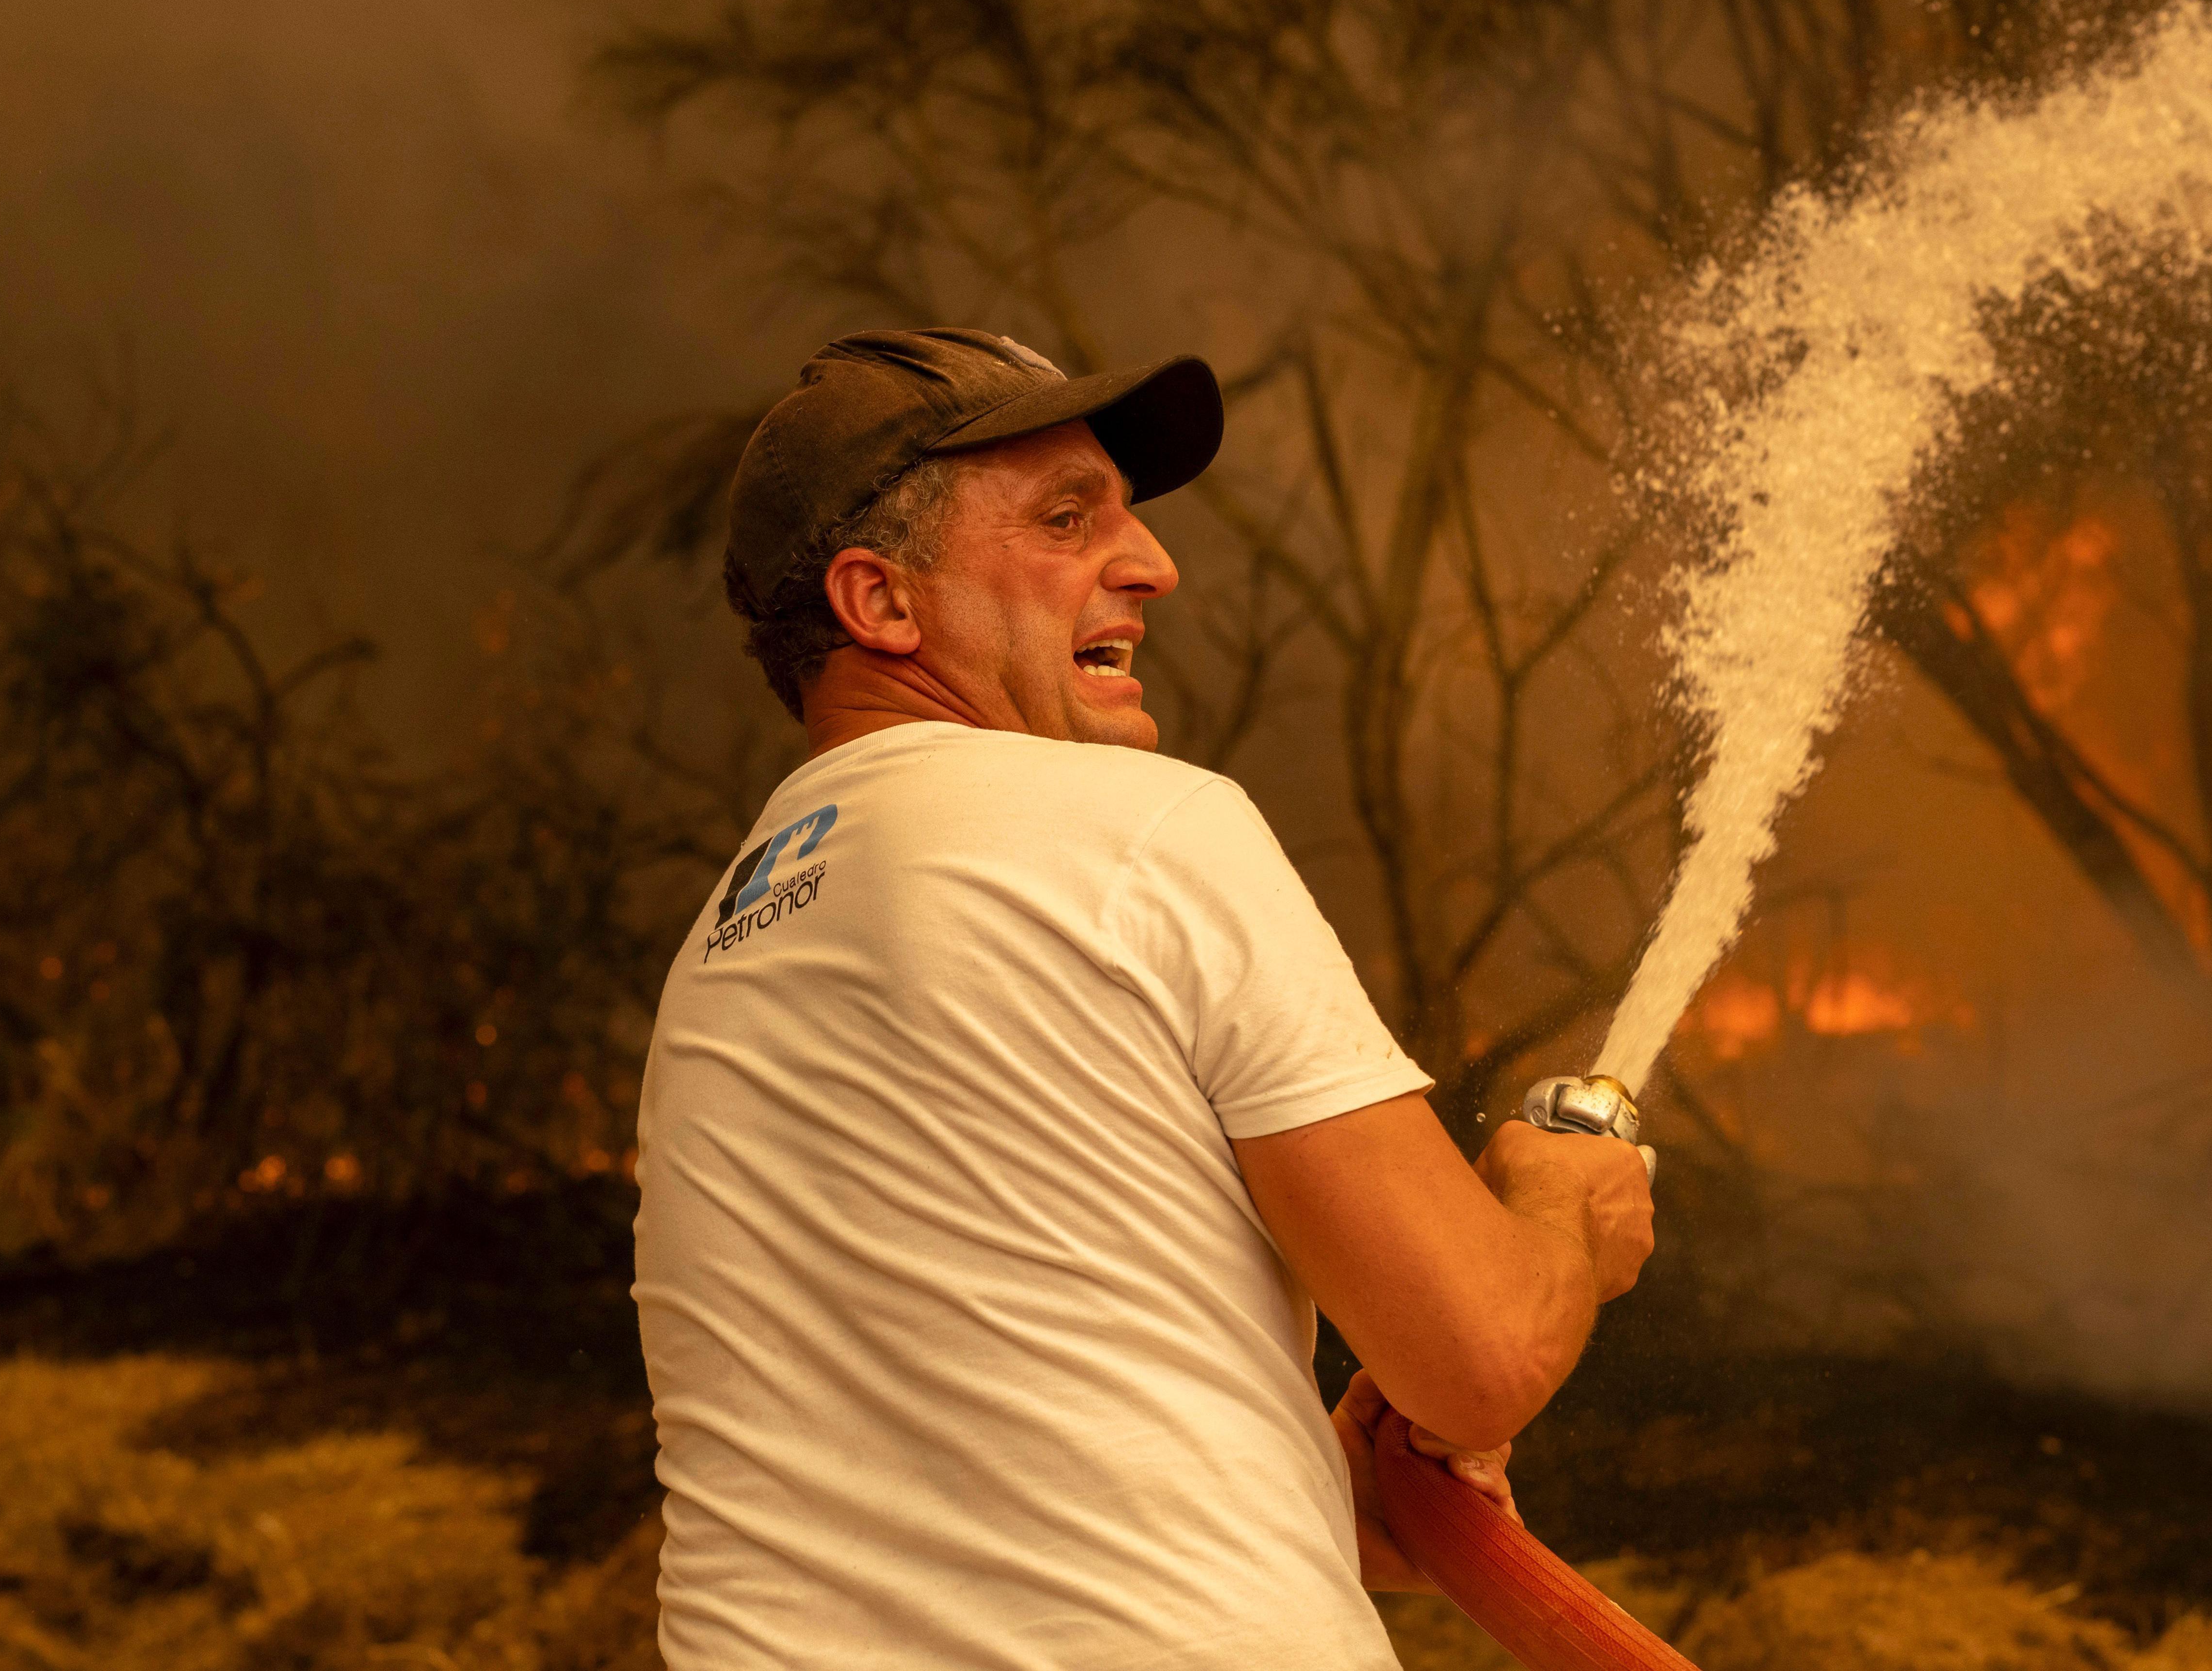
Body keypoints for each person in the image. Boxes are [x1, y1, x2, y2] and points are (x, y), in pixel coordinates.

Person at [634, 328, 1656, 1669]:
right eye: (1067, 519)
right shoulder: (1134, 830)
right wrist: (1557, 1206)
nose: (1152, 564)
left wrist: (1305, 1481)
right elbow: (1477, 1358)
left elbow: (970, 1417)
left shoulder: (725, 955)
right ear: (880, 603)